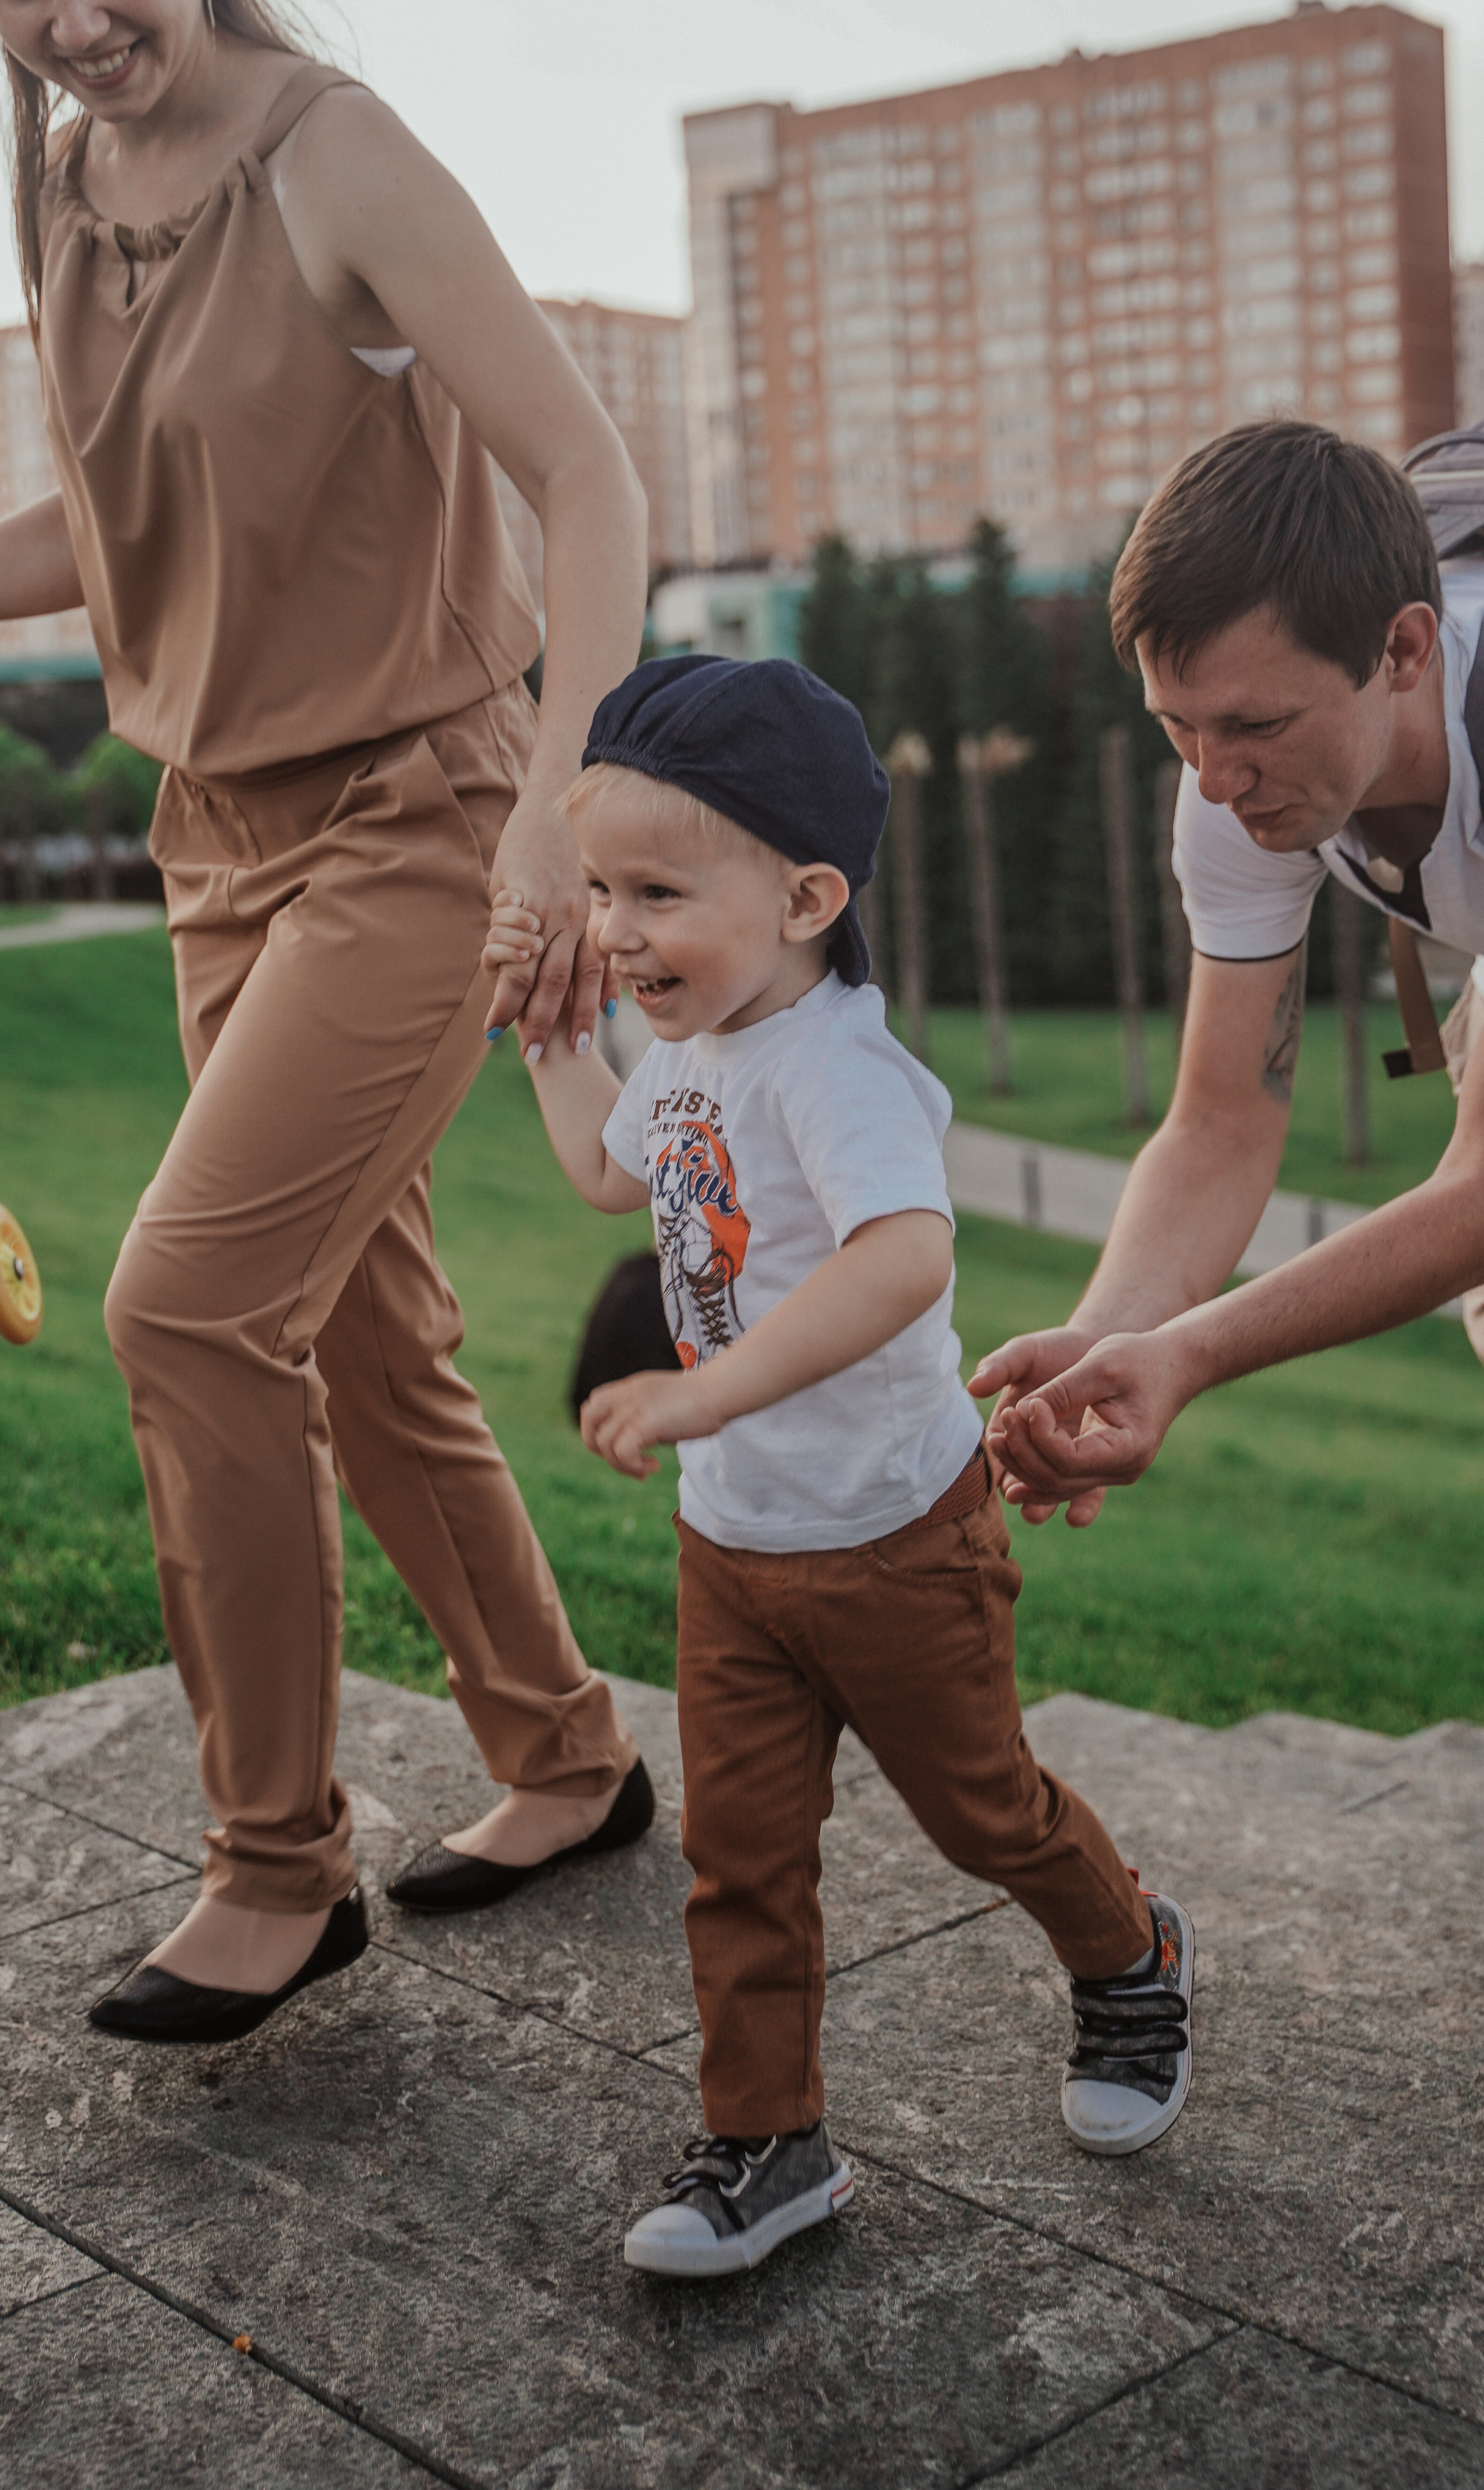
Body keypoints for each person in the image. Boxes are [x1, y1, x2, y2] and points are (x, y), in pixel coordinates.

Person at [0, 0, 653, 2042]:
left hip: (420, 814)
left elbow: (593, 478)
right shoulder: (64, 181)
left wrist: (559, 798)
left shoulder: (341, 159)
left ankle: (276, 1869)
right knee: (356, 1326)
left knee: (181, 1308)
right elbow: (128, 523)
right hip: (212, 838)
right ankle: (562, 1756)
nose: (75, 23)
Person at [489, 654, 1195, 2279]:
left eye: (656, 891)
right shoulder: (691, 1048)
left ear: (805, 894)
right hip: (733, 1548)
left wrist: (702, 1389)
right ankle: (766, 2143)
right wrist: (541, 1040)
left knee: (983, 1812)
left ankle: (1129, 1955)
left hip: (891, 1537)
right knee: (738, 1857)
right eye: (601, 890)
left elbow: (901, 1261)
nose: (614, 928)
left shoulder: (836, 1065)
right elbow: (613, 1175)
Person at [971, 419, 1484, 1520]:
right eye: (1178, 729)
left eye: (1253, 725)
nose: (1215, 783)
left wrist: (1191, 1353)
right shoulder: (1236, 770)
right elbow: (1221, 1125)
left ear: (1403, 652)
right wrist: (1107, 1336)